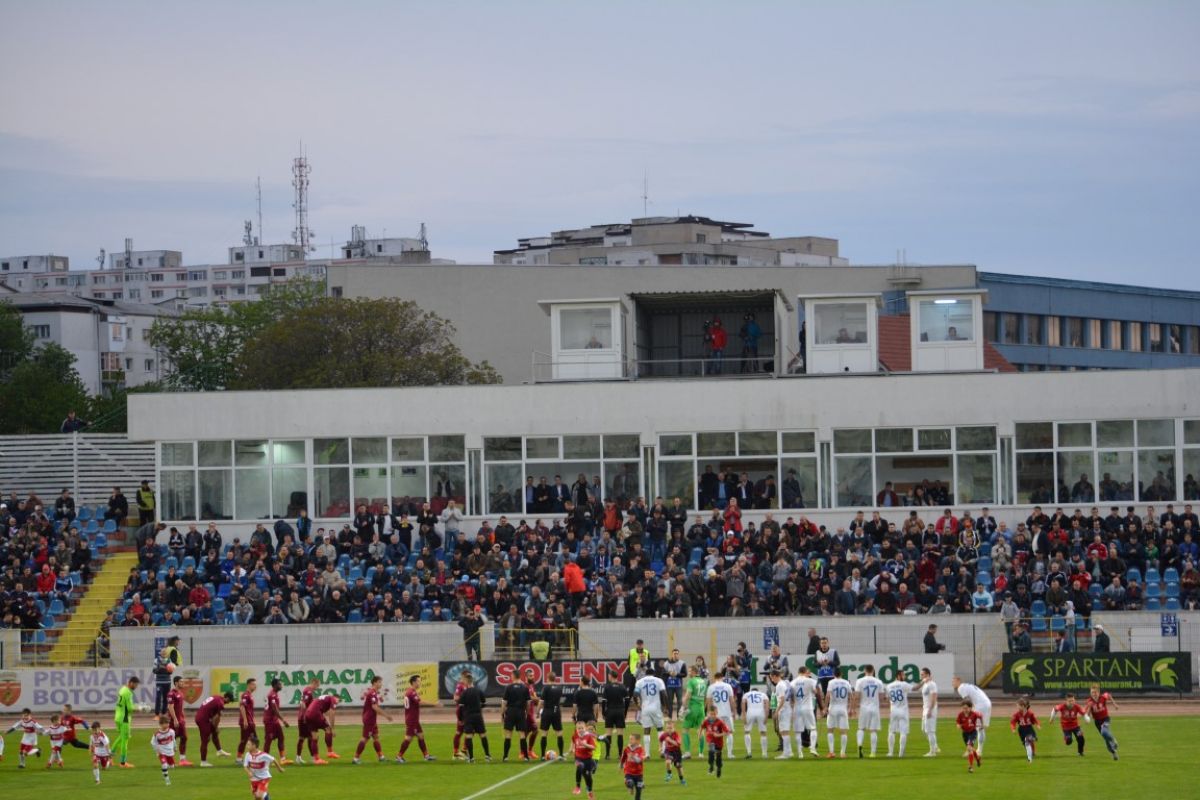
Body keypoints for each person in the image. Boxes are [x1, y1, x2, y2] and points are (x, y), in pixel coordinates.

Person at [353, 674, 391, 764]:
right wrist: (386, 715)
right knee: (365, 738)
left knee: (376, 737)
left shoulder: (374, 693)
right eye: (379, 682)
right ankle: (355, 758)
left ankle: (381, 757)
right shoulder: (372, 693)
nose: (381, 684)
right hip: (369, 719)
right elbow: (374, 707)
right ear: (374, 683)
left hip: (372, 719)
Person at [952, 676, 991, 756]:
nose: (952, 683)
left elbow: (967, 701)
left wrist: (969, 711)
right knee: (980, 728)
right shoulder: (967, 686)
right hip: (987, 703)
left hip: (980, 706)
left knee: (975, 729)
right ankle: (979, 750)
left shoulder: (961, 688)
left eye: (954, 681)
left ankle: (972, 750)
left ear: (958, 681)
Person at [634, 666, 667, 760]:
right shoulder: (659, 681)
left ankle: (647, 754)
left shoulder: (640, 681)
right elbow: (664, 694)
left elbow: (635, 695)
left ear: (646, 674)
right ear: (654, 673)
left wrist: (637, 705)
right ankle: (663, 751)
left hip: (645, 708)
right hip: (656, 708)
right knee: (660, 729)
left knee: (646, 731)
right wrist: (665, 706)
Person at [458, 672, 491, 762]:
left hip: (468, 717)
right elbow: (484, 702)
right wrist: (479, 707)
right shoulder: (478, 691)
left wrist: (460, 719)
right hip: (478, 716)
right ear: (472, 681)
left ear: (466, 681)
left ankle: (471, 758)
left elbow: (460, 707)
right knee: (483, 735)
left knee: (468, 736)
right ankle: (487, 755)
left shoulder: (464, 693)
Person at [195, 690, 235, 766]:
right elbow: (217, 718)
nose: (229, 703)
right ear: (226, 697)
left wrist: (214, 729)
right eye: (229, 700)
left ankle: (219, 751)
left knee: (214, 733)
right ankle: (203, 762)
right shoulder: (221, 703)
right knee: (205, 740)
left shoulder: (217, 697)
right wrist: (216, 727)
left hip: (202, 717)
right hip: (203, 720)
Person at [852, 664, 884, 758]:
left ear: (865, 671)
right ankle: (873, 752)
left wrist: (853, 708)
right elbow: (881, 697)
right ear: (873, 671)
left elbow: (856, 696)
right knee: (873, 731)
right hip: (874, 708)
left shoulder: (860, 681)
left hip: (864, 708)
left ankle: (859, 745)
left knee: (861, 728)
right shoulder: (878, 682)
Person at [790, 665, 820, 758]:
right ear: (805, 671)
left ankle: (800, 753)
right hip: (808, 708)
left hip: (797, 708)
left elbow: (790, 696)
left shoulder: (792, 682)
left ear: (798, 672)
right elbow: (816, 692)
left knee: (798, 731)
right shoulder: (810, 681)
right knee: (813, 728)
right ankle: (813, 748)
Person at [501, 670, 533, 762]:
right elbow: (528, 702)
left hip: (510, 712)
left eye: (511, 675)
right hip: (520, 712)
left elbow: (504, 702)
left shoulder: (508, 687)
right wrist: (526, 712)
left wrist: (502, 713)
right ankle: (526, 757)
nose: (511, 676)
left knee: (508, 734)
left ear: (514, 676)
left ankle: (505, 757)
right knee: (522, 735)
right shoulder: (524, 687)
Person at [705, 671, 737, 759]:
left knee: (715, 733)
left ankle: (716, 752)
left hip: (716, 714)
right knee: (729, 732)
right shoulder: (728, 686)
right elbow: (731, 700)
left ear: (714, 678)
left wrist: (709, 713)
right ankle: (730, 754)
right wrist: (734, 712)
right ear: (722, 677)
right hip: (727, 713)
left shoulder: (711, 687)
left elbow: (709, 702)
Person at [302, 693, 341, 763]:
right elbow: (332, 712)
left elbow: (315, 705)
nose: (338, 702)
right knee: (328, 729)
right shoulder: (333, 699)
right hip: (315, 714)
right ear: (336, 697)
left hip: (308, 714)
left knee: (315, 737)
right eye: (339, 700)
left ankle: (316, 759)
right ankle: (330, 752)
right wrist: (333, 728)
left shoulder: (324, 697)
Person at [1084, 684, 1120, 760]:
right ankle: (1113, 753)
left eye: (1095, 692)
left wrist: (1115, 704)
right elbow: (1088, 712)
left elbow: (1109, 695)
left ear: (1099, 692)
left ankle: (1114, 740)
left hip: (1105, 718)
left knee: (1104, 731)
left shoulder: (1103, 697)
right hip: (1097, 722)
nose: (1094, 694)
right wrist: (1087, 718)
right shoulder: (1089, 701)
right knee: (1105, 738)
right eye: (1092, 692)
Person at [244, 734, 284, 800]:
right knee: (257, 797)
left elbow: (273, 759)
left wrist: (279, 769)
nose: (246, 746)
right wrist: (249, 772)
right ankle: (265, 794)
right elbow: (245, 766)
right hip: (254, 779)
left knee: (259, 795)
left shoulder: (263, 755)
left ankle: (264, 793)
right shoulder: (247, 755)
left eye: (248, 745)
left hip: (264, 778)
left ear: (254, 746)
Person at [680, 665, 707, 759]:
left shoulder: (691, 681)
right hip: (701, 708)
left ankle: (687, 752)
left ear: (695, 672)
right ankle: (701, 753)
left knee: (685, 729)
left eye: (690, 671)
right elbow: (705, 696)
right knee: (700, 731)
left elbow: (687, 695)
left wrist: (683, 707)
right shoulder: (703, 681)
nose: (689, 673)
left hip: (693, 708)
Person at [883, 675, 915, 758]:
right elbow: (915, 688)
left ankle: (890, 752)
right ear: (898, 676)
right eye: (903, 675)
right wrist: (923, 682)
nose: (904, 676)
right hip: (903, 711)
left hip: (893, 710)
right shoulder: (903, 684)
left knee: (891, 732)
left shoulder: (889, 686)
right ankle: (901, 753)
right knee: (903, 732)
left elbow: (886, 698)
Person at [113, 675, 139, 768]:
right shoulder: (128, 692)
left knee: (121, 737)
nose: (136, 687)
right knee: (125, 741)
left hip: (118, 716)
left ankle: (109, 757)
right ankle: (123, 762)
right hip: (124, 719)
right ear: (131, 683)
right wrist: (139, 708)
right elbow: (130, 708)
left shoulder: (122, 689)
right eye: (135, 685)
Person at [539, 669, 565, 760]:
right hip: (556, 711)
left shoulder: (546, 688)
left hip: (547, 711)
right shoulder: (559, 688)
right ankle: (561, 755)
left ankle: (543, 756)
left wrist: (537, 712)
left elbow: (541, 701)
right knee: (559, 733)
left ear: (547, 678)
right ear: (555, 678)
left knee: (544, 733)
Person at [1049, 692, 1087, 757]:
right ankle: (1066, 738)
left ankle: (1080, 752)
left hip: (1076, 726)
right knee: (1069, 741)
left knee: (1081, 738)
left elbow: (1083, 713)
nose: (1072, 702)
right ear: (1066, 701)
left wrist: (1086, 718)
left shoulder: (1076, 706)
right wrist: (1052, 718)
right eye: (1070, 701)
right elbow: (1054, 710)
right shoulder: (1062, 706)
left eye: (1073, 700)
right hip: (1066, 727)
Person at [602, 670, 629, 759]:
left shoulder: (607, 687)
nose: (608, 677)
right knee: (620, 734)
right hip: (620, 711)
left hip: (610, 711)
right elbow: (627, 700)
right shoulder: (622, 687)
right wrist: (625, 712)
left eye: (608, 675)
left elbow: (604, 701)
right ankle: (620, 754)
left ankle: (607, 755)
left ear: (611, 676)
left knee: (608, 733)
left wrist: (603, 712)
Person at [166, 676, 193, 766]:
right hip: (174, 721)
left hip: (180, 720)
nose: (183, 683)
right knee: (171, 740)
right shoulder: (171, 694)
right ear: (176, 683)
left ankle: (182, 760)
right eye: (181, 681)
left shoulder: (180, 693)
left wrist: (183, 717)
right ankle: (168, 759)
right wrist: (175, 719)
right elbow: (170, 707)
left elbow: (181, 707)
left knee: (184, 737)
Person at [824, 671, 851, 758]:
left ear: (833, 674)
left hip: (833, 708)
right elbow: (851, 696)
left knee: (830, 730)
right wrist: (851, 708)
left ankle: (831, 752)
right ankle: (842, 753)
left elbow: (828, 695)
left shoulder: (831, 682)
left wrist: (825, 707)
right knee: (843, 731)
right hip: (843, 709)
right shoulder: (846, 682)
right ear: (841, 674)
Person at [294, 675, 321, 764]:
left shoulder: (307, 691)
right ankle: (301, 757)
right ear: (314, 683)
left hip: (304, 717)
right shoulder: (308, 691)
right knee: (304, 737)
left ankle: (308, 757)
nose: (317, 688)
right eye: (317, 685)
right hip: (304, 718)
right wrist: (306, 715)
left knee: (309, 737)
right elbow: (303, 704)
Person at [263, 677, 290, 764]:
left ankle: (283, 759)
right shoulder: (272, 695)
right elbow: (274, 709)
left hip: (274, 720)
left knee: (281, 737)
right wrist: (283, 720)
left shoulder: (274, 694)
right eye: (279, 684)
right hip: (270, 721)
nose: (281, 685)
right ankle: (264, 760)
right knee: (268, 740)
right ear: (275, 685)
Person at [572, 719, 601, 798]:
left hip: (588, 759)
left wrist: (585, 745)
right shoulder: (575, 735)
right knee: (580, 766)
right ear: (576, 729)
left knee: (588, 776)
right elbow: (573, 741)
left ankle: (589, 791)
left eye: (582, 728)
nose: (580, 730)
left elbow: (593, 747)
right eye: (579, 728)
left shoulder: (588, 736)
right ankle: (578, 787)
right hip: (578, 758)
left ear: (585, 728)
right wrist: (572, 748)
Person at [740, 683, 769, 759]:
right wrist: (766, 716)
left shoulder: (747, 694)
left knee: (747, 732)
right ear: (757, 691)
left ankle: (749, 752)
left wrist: (743, 715)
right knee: (763, 733)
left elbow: (743, 703)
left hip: (750, 712)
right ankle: (764, 754)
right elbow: (767, 705)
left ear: (751, 690)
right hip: (761, 712)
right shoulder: (763, 694)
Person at [700, 707, 730, 777]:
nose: (712, 716)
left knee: (718, 758)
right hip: (710, 741)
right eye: (711, 714)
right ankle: (711, 766)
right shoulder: (706, 721)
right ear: (708, 714)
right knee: (711, 752)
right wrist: (700, 735)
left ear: (717, 713)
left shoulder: (720, 722)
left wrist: (718, 735)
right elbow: (702, 727)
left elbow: (727, 732)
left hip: (719, 743)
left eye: (714, 714)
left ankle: (719, 768)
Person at [955, 700, 983, 773]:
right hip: (965, 734)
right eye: (963, 708)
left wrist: (981, 725)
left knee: (969, 748)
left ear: (970, 708)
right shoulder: (960, 715)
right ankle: (978, 759)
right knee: (971, 749)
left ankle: (970, 767)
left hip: (973, 733)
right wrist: (958, 725)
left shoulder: (974, 714)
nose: (965, 710)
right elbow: (958, 722)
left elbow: (980, 716)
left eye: (966, 708)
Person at [1010, 697, 1040, 763]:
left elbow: (1035, 720)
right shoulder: (1016, 714)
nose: (1017, 707)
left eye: (1018, 705)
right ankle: (1031, 753)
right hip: (1021, 730)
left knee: (1028, 740)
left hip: (1029, 729)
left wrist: (1038, 725)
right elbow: (1012, 722)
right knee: (1026, 744)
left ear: (1023, 706)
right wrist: (1013, 729)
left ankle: (1031, 754)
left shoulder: (1030, 713)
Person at [236, 676, 259, 760]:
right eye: (254, 684)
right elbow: (242, 707)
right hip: (247, 722)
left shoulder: (249, 695)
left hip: (250, 721)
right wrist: (245, 721)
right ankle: (239, 758)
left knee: (252, 739)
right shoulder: (245, 695)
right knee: (247, 739)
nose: (255, 686)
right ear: (249, 685)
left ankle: (252, 756)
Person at [659, 718, 686, 784]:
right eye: (667, 728)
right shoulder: (664, 734)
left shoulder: (677, 735)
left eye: (671, 728)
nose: (669, 730)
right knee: (668, 762)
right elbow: (660, 739)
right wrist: (660, 747)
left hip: (677, 752)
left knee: (678, 766)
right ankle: (669, 773)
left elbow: (678, 744)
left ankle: (682, 779)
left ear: (674, 728)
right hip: (668, 751)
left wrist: (670, 740)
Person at [152, 714, 177, 785]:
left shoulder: (171, 732)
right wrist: (157, 750)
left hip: (169, 752)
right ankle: (167, 780)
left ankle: (166, 767)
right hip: (161, 752)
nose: (166, 725)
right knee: (164, 765)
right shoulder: (157, 734)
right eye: (164, 723)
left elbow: (173, 740)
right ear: (160, 724)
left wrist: (175, 747)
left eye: (167, 723)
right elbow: (153, 743)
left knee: (172, 766)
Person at [920, 667, 939, 757]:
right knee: (924, 730)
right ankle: (935, 747)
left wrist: (930, 710)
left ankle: (932, 752)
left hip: (930, 709)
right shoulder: (925, 684)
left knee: (930, 731)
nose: (921, 676)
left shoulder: (932, 684)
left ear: (927, 675)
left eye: (922, 674)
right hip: (925, 709)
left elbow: (934, 698)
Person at [662, 648, 686, 719]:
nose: (676, 655)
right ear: (672, 654)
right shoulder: (666, 663)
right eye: (674, 653)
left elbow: (685, 674)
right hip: (669, 685)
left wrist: (676, 674)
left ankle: (679, 717)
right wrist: (669, 673)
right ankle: (670, 716)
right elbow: (663, 674)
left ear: (678, 655)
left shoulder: (682, 663)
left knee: (679, 701)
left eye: (677, 654)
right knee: (669, 701)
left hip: (678, 685)